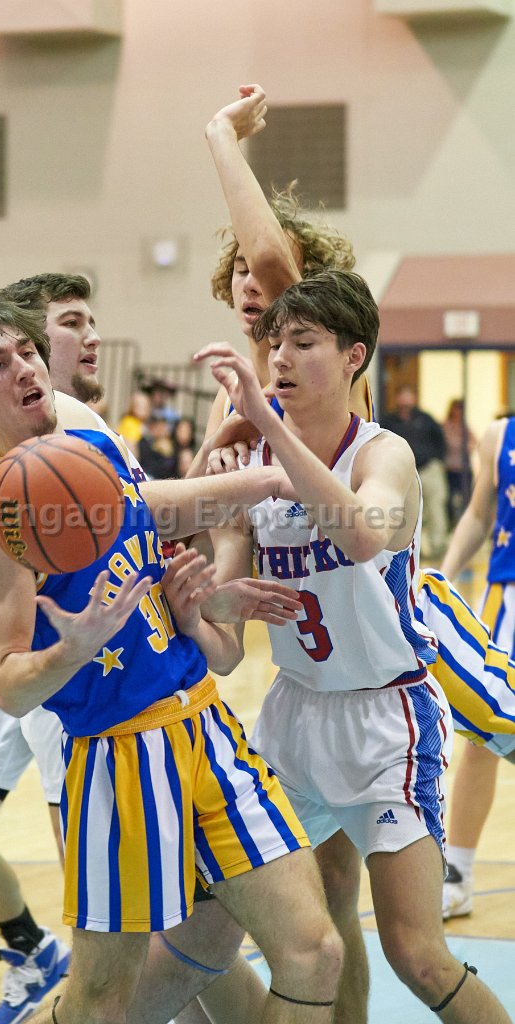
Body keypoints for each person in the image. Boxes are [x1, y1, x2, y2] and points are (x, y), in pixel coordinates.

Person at [0, 290, 344, 1024]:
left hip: (204, 727)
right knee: (102, 1000)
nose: (24, 367)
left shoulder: (96, 449)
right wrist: (71, 650)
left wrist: (271, 479)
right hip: (119, 759)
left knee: (314, 951)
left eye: (25, 351)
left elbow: (162, 508)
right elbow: (10, 686)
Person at [194, 269, 511, 1024]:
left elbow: (363, 533)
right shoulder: (247, 465)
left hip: (386, 724)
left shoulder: (382, 454)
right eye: (275, 342)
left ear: (352, 357)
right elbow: (224, 649)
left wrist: (267, 433)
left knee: (418, 955)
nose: (279, 358)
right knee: (229, 930)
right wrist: (213, 599)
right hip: (293, 716)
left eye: (302, 342)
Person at [438, 415, 515, 920]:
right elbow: (478, 515)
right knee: (481, 738)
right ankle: (459, 872)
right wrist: (440, 578)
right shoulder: (499, 435)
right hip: (505, 599)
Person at [381, 384, 449, 559]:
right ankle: (406, 549)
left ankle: (438, 545)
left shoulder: (426, 419)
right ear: (397, 398)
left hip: (428, 469)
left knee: (435, 508)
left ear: (414, 398)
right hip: (401, 472)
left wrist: (437, 460)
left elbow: (440, 440)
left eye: (408, 395)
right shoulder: (388, 421)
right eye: (402, 395)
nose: (405, 399)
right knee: (404, 511)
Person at [443, 398, 476, 528]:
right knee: (449, 498)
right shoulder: (446, 426)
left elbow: (473, 443)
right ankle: (451, 522)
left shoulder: (465, 427)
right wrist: (460, 444)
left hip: (464, 468)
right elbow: (448, 442)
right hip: (450, 468)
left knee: (466, 496)